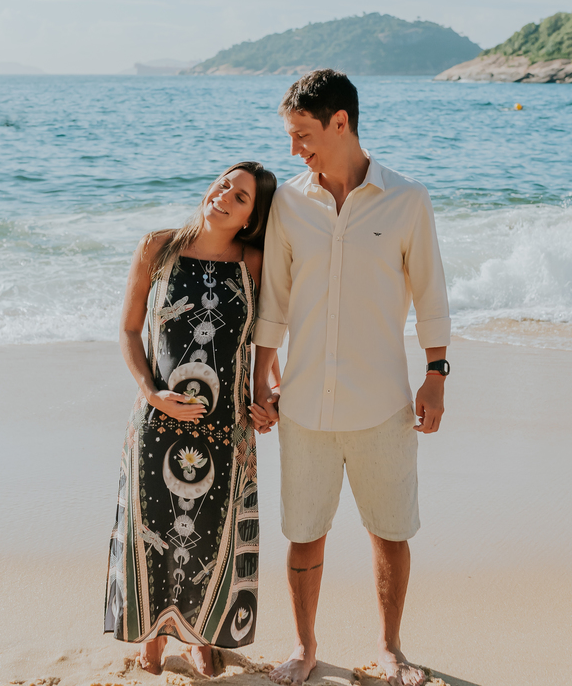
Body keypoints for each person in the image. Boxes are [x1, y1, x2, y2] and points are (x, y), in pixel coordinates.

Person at [250, 70, 450, 686]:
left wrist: (436, 373)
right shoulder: (288, 201)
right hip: (304, 403)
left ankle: (390, 648)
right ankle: (305, 648)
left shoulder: (407, 199)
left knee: (390, 530)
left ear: (342, 122)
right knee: (304, 533)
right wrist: (261, 375)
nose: (294, 149)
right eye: (290, 136)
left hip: (382, 402)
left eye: (303, 134)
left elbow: (430, 293)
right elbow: (274, 299)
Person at [105, 161, 278, 676]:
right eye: (225, 182)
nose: (225, 194)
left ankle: (203, 636)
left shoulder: (255, 263)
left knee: (213, 532)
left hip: (226, 426)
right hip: (158, 421)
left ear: (251, 217)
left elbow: (265, 342)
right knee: (152, 527)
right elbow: (130, 331)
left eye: (241, 196)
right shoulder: (158, 247)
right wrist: (151, 393)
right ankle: (154, 637)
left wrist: (267, 396)